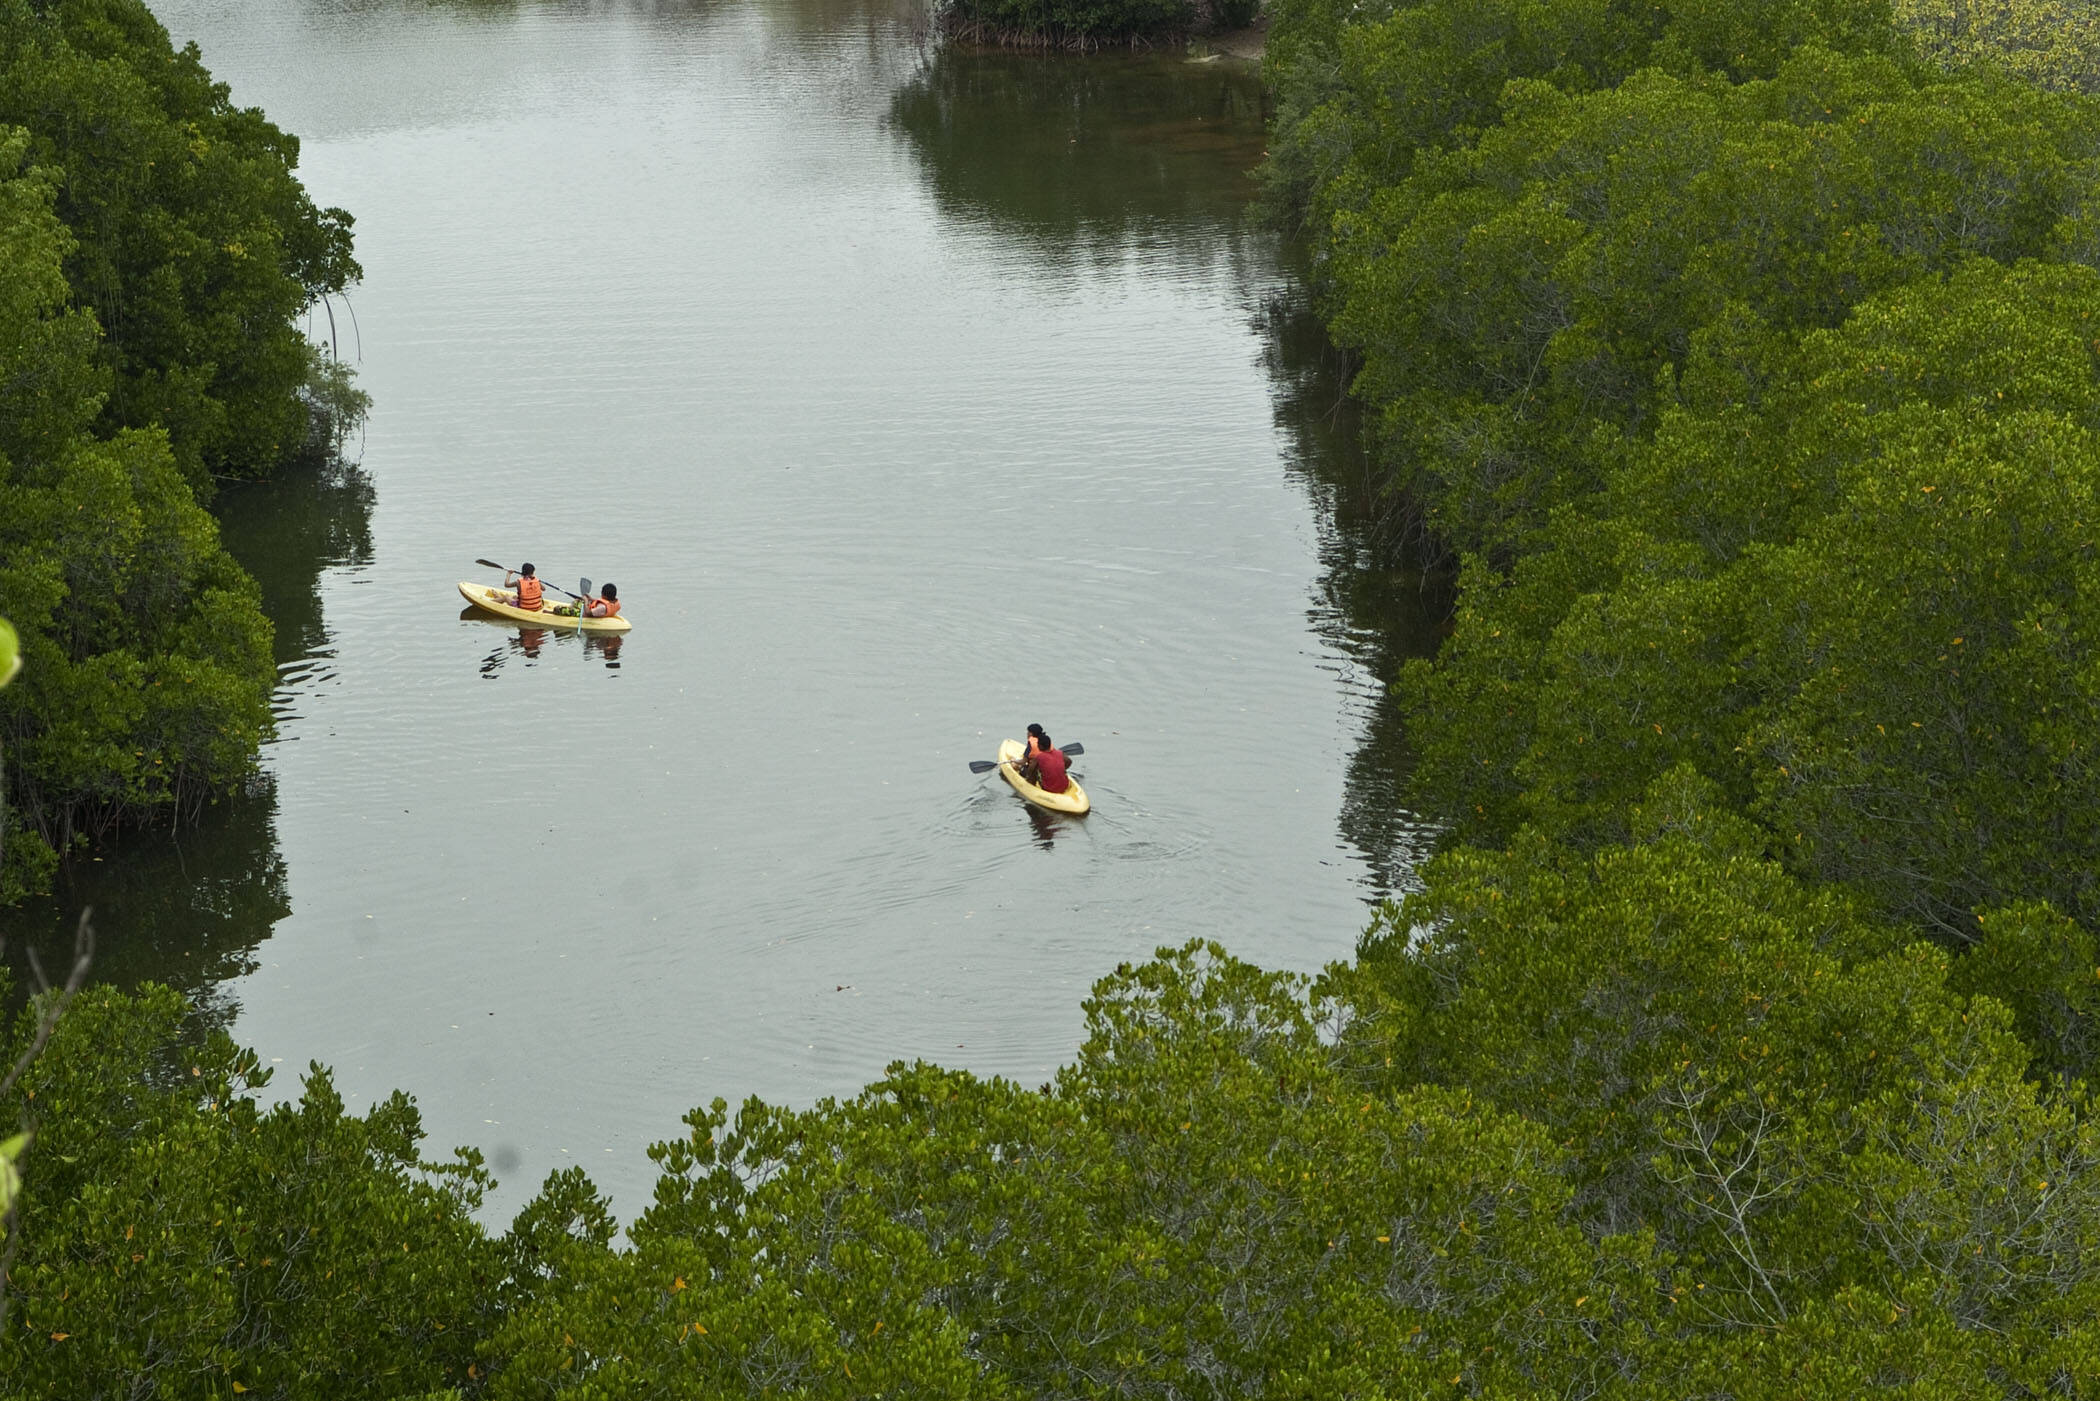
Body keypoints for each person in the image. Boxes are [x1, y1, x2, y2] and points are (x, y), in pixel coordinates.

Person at [1017, 723, 1069, 794]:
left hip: (1049, 789)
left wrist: (1028, 779)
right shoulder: (1059, 753)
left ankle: (1031, 786)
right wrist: (1063, 769)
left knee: (1031, 770)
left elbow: (1030, 769)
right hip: (1065, 786)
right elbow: (1069, 761)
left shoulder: (1038, 757)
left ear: (1040, 746)